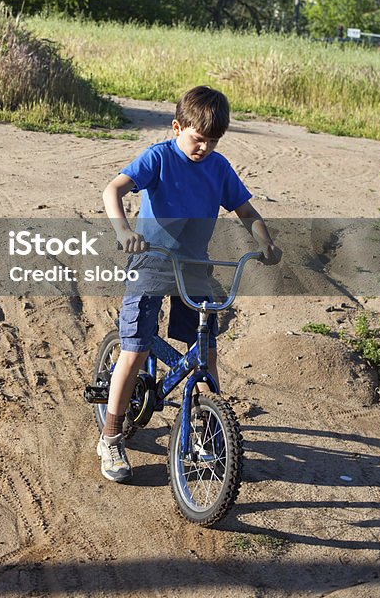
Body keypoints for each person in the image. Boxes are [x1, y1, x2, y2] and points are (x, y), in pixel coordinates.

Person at [98, 85, 281, 483]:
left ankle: (206, 427)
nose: (204, 148)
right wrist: (124, 229)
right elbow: (114, 189)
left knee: (206, 349)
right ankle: (111, 436)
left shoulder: (219, 167)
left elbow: (246, 210)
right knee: (134, 350)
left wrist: (264, 240)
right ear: (178, 126)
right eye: (198, 139)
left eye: (212, 142)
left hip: (194, 269)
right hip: (150, 262)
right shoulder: (159, 158)